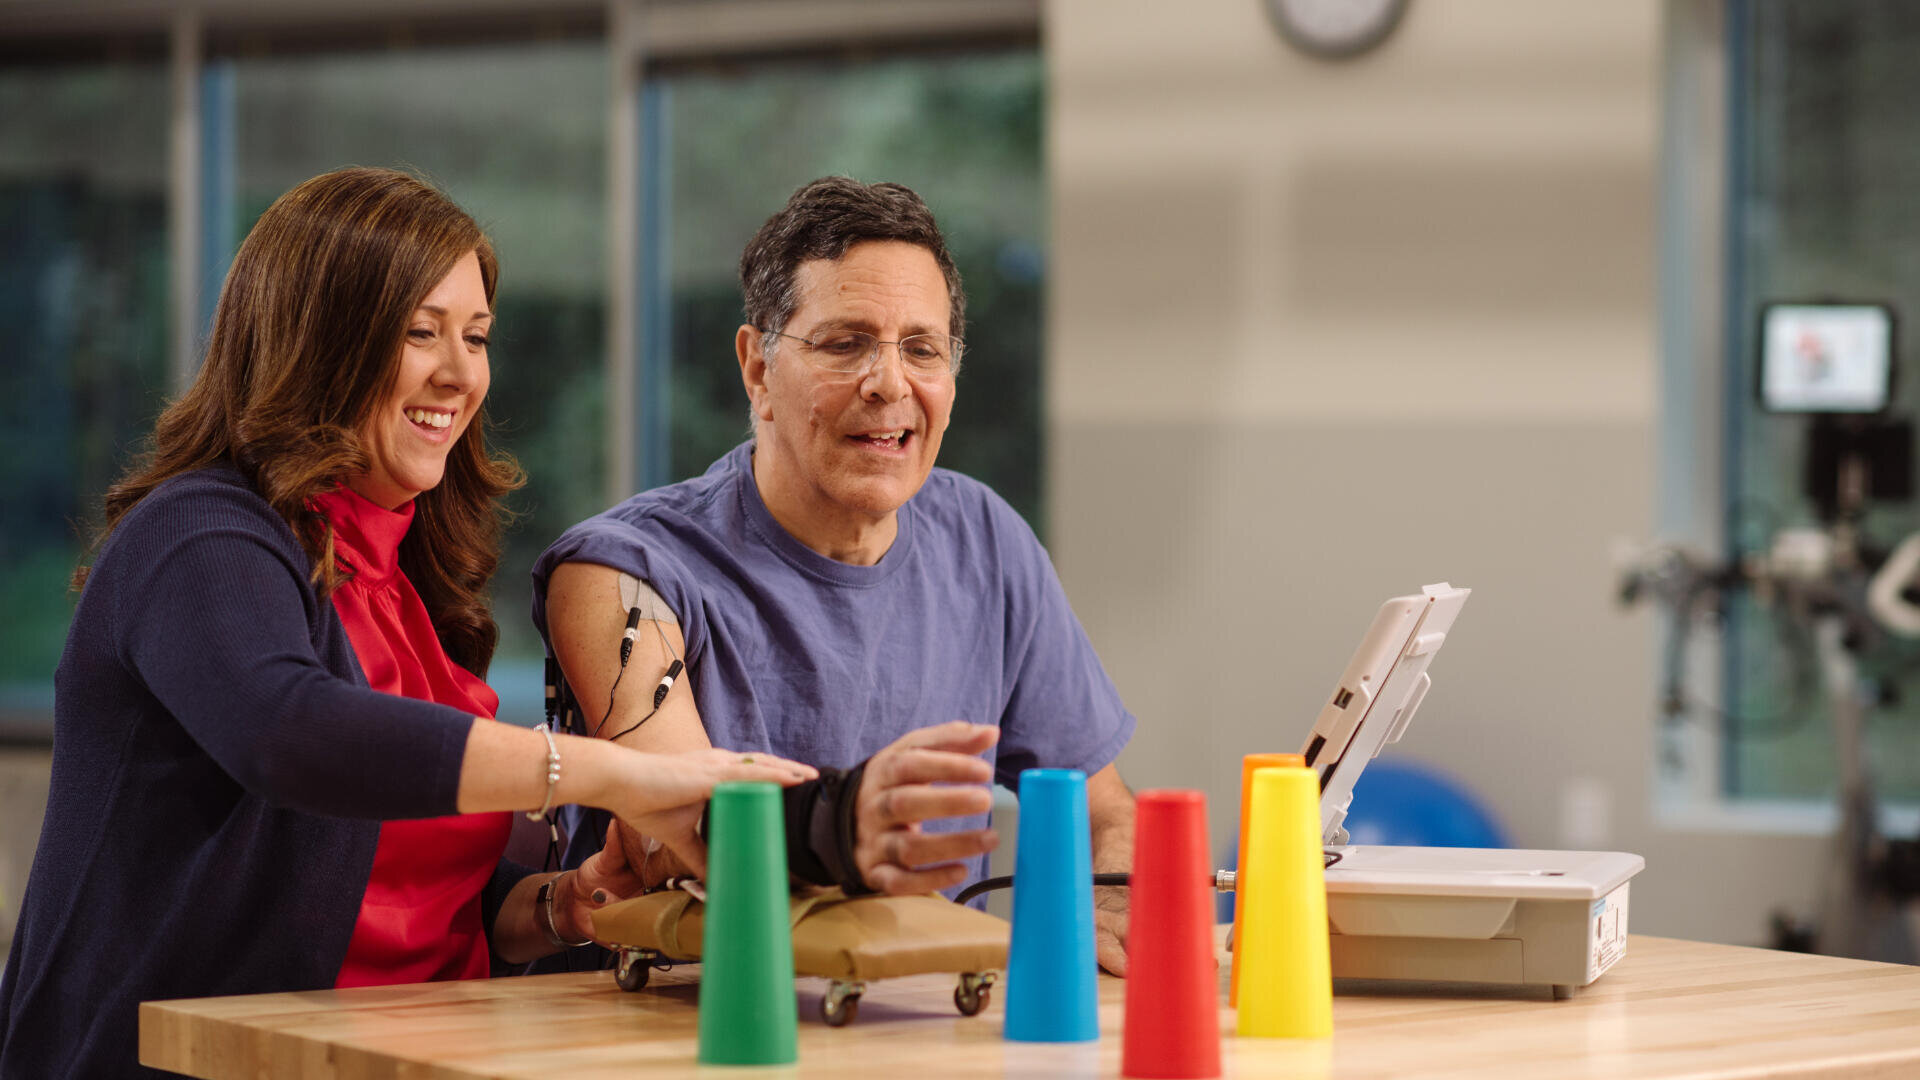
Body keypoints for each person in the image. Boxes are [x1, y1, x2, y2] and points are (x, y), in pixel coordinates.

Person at [0, 167, 814, 1080]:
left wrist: (564, 903)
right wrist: (616, 775)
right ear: (319, 340)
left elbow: (405, 888)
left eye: (476, 336)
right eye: (419, 332)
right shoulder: (198, 534)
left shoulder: (408, 581)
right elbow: (292, 735)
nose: (460, 373)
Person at [535, 177, 1139, 973]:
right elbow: (669, 842)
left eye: (920, 349)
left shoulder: (988, 541)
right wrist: (844, 824)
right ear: (756, 370)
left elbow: (1103, 813)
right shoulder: (622, 573)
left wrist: (1109, 908)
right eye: (846, 342)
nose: (889, 383)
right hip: (673, 1032)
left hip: (920, 1027)